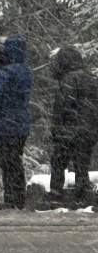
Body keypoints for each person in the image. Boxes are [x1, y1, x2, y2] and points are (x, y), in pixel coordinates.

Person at [0, 34, 33, 210]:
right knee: (15, 160)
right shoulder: (25, 71)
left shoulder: (6, 73)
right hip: (21, 123)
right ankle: (18, 197)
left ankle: (11, 199)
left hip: (6, 123)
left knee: (7, 160)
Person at [48, 45, 98, 205]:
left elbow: (64, 106)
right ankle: (83, 197)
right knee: (81, 164)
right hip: (89, 129)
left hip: (70, 129)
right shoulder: (90, 78)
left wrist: (57, 128)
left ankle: (56, 196)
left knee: (58, 161)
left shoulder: (69, 79)